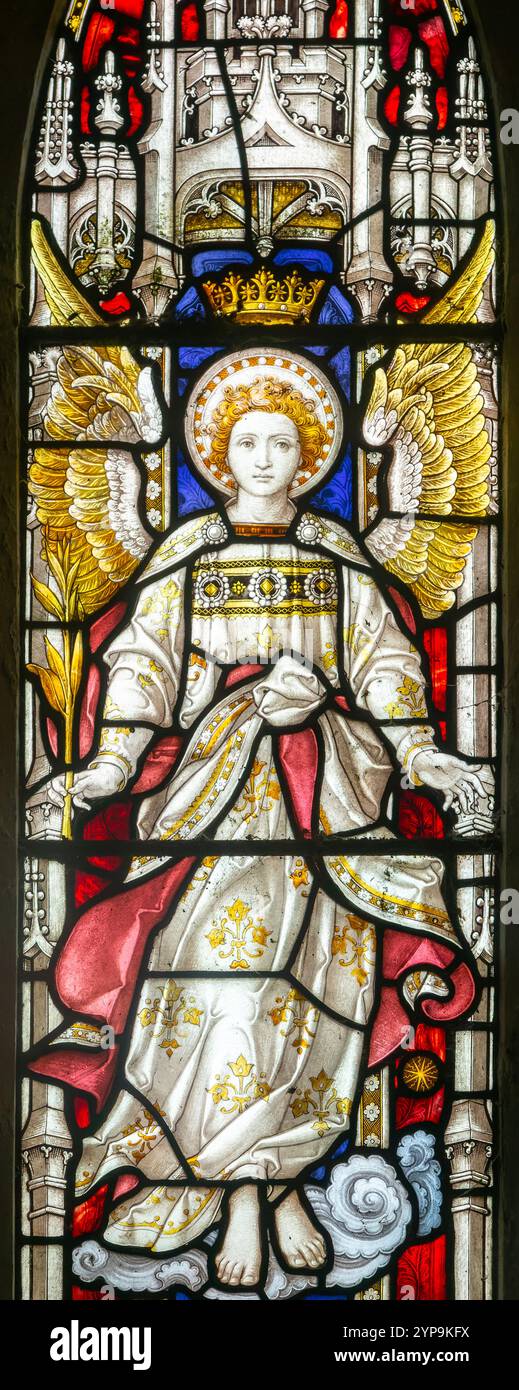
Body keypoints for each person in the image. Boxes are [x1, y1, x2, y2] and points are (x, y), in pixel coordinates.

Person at [31, 361, 491, 1290]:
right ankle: (242, 1187)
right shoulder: (188, 559)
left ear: (311, 456)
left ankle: (277, 1176)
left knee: (325, 997)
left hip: (325, 806)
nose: (266, 458)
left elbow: (387, 665)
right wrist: (113, 765)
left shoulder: (334, 561)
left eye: (284, 442)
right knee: (219, 990)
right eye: (247, 442)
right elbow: (141, 668)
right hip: (210, 806)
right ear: (219, 454)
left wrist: (419, 754)